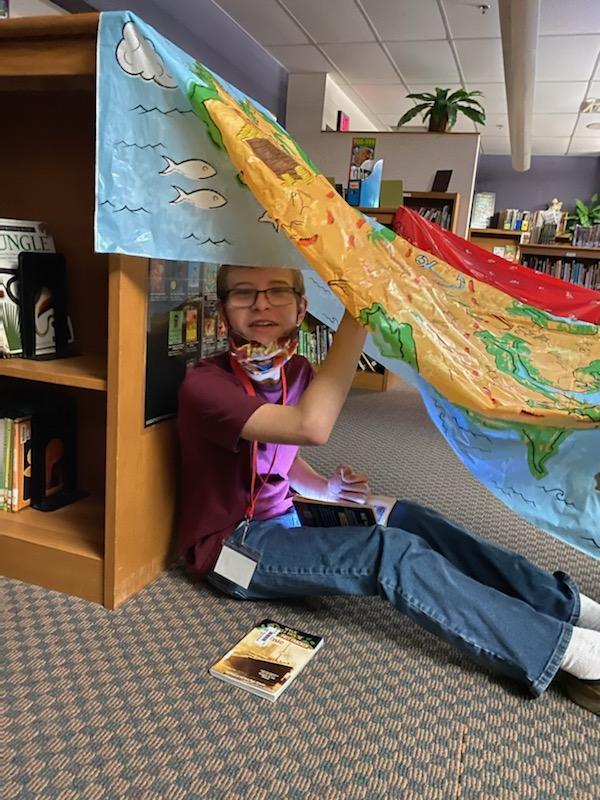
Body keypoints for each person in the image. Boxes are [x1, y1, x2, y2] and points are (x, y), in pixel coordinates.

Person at [177, 264, 600, 715]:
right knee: (387, 552)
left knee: (410, 517)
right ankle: (573, 653)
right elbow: (309, 427)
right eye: (243, 294)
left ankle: (569, 607)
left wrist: (325, 488)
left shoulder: (294, 371)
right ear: (223, 314)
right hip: (231, 551)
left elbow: (279, 451)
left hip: (286, 519)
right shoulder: (204, 384)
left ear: (301, 308)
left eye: (276, 291)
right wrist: (358, 314)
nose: (261, 303)